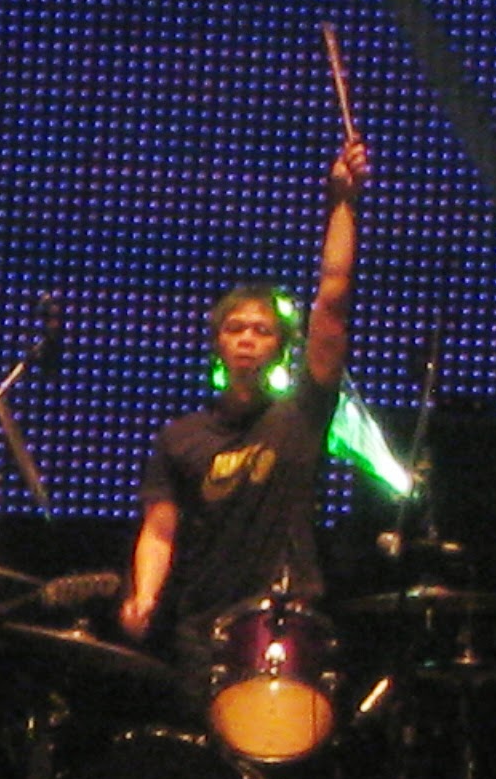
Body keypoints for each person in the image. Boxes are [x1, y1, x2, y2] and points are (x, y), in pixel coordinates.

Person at [119, 136, 370, 722]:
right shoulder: (181, 438)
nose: (248, 339)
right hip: (202, 627)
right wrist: (144, 596)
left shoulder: (299, 415)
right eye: (236, 329)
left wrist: (343, 202)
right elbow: (160, 530)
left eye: (262, 330)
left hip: (282, 618)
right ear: (218, 343)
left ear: (280, 346)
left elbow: (333, 298)